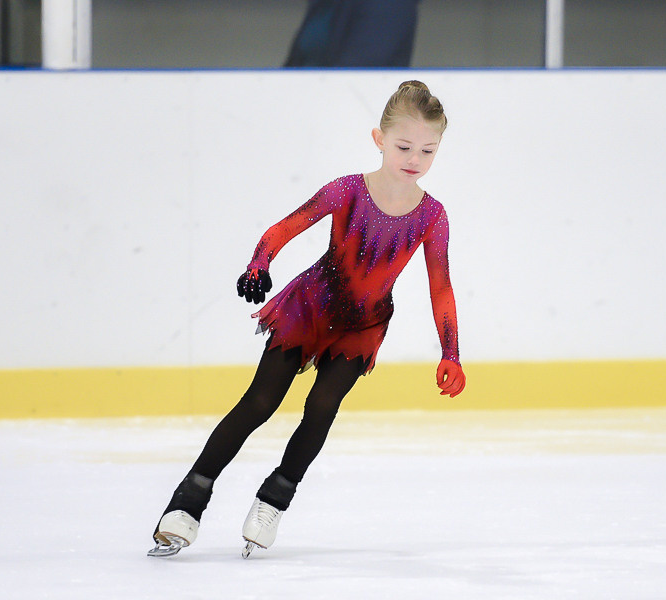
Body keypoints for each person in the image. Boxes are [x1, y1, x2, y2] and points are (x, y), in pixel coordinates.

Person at [149, 81, 465, 559]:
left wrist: (451, 352)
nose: (414, 158)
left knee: (321, 408)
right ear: (378, 139)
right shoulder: (346, 191)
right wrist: (260, 263)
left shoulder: (432, 216)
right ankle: (187, 501)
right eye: (404, 146)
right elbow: (284, 227)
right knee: (260, 402)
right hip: (310, 307)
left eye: (428, 150)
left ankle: (274, 499)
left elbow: (440, 286)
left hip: (363, 324)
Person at [284, 0, 421, 67]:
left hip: (354, 111)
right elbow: (291, 67)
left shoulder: (387, 4)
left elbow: (357, 71)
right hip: (302, 105)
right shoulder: (323, 4)